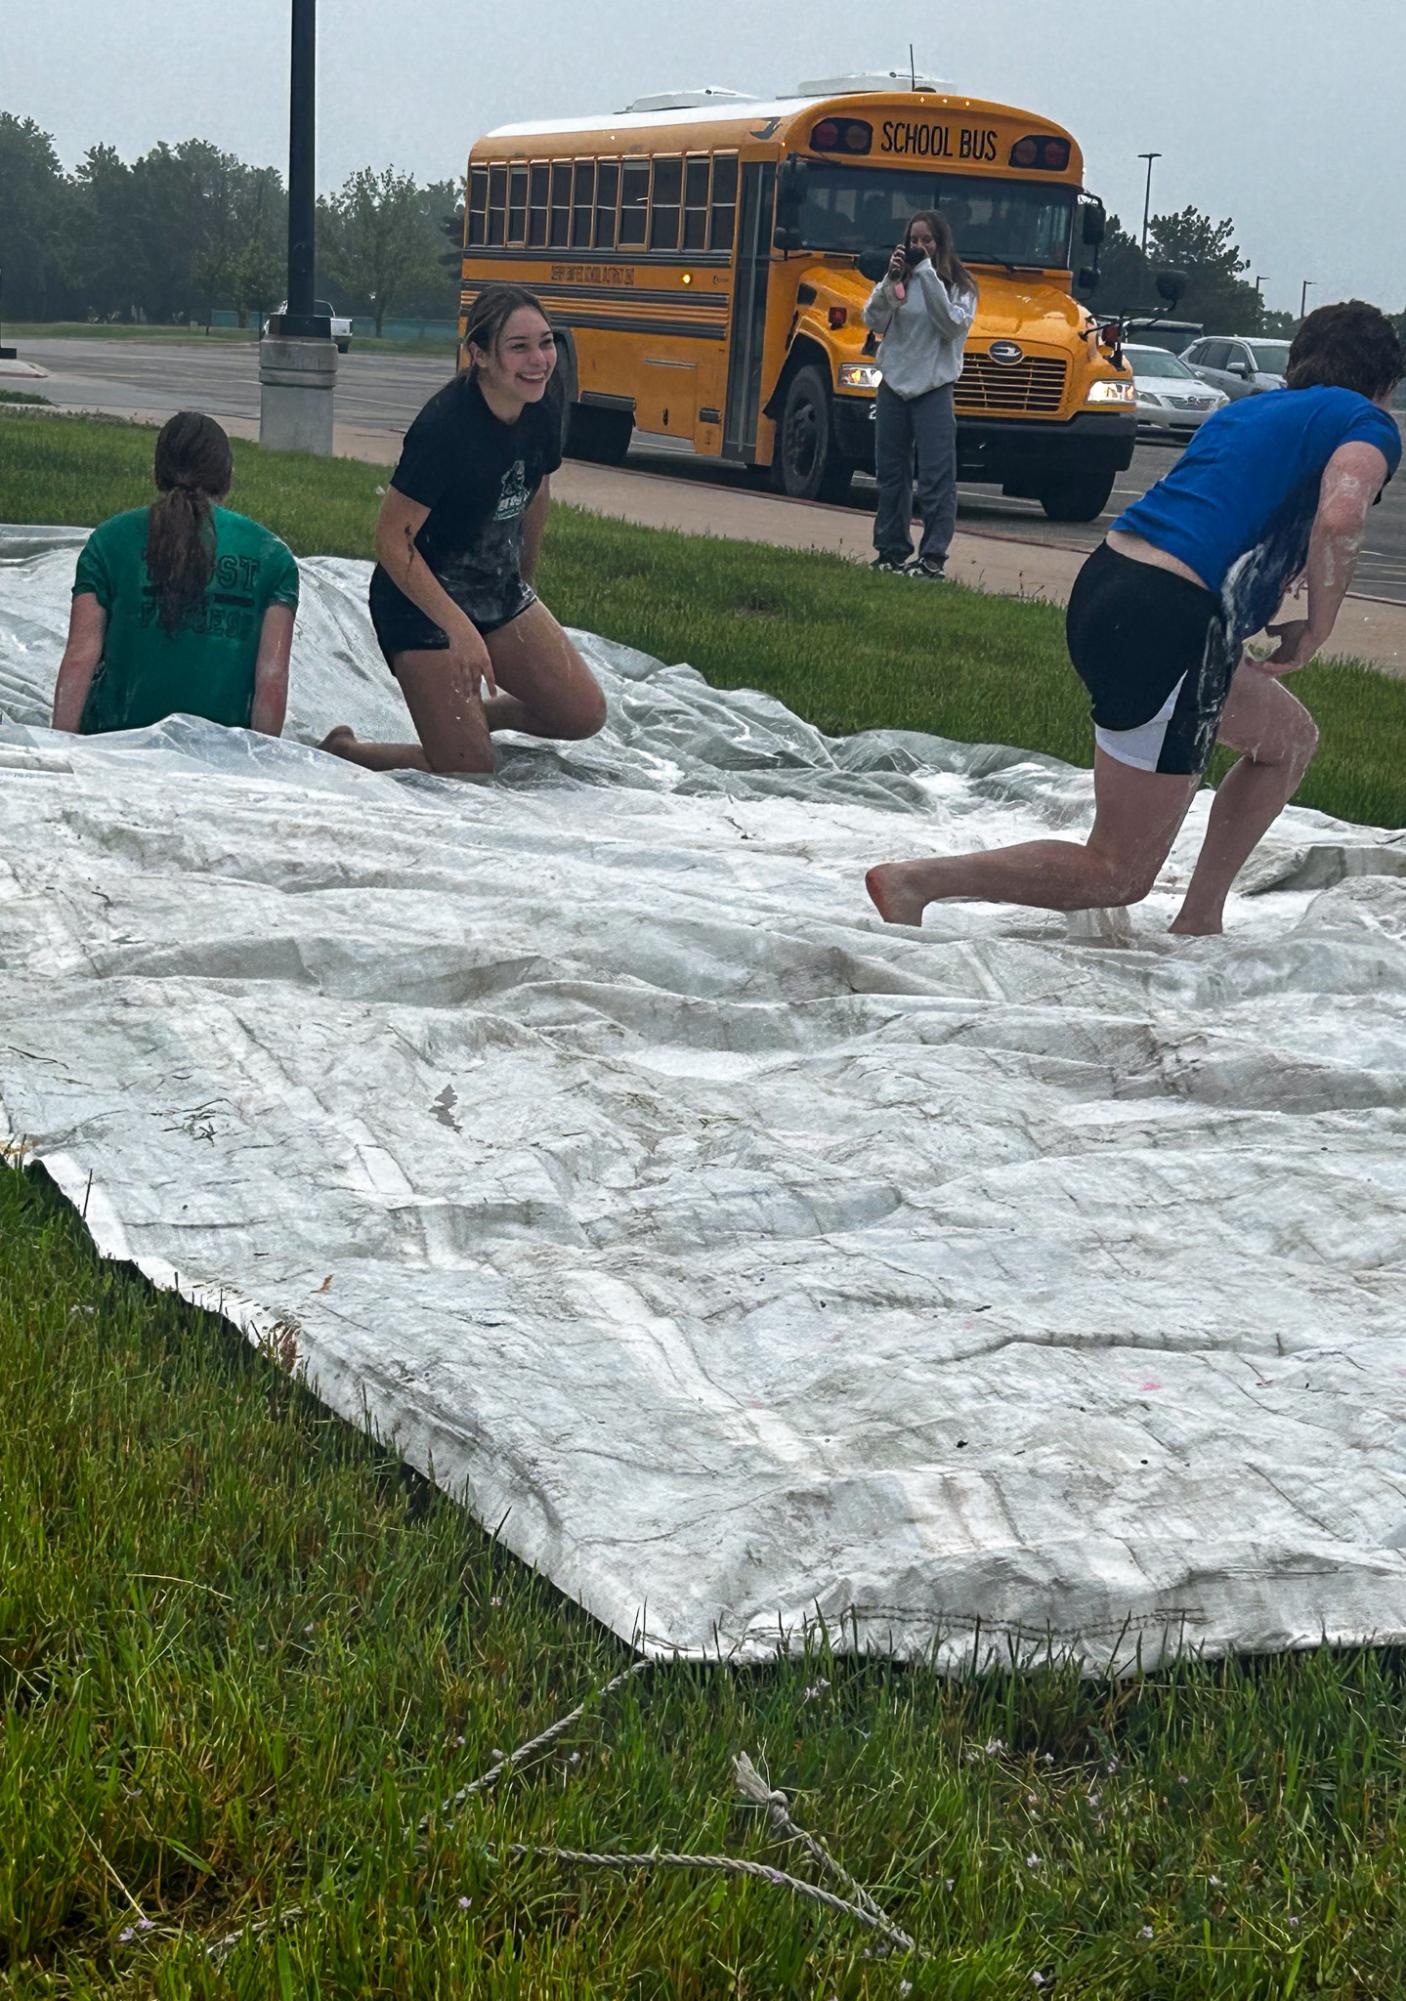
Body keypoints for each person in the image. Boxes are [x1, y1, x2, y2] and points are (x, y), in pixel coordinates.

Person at [865, 301, 1404, 938]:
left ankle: (1200, 918)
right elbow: (1342, 516)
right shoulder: (1364, 420)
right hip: (1169, 619)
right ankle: (916, 882)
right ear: (1383, 385)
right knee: (1118, 871)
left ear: (1297, 362)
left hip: (1110, 584)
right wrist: (1316, 628)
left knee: (1286, 740)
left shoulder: (1242, 413)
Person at [320, 284, 607, 776]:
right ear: (480, 355)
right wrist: (460, 630)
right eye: (518, 347)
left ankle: (474, 718)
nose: (539, 360)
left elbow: (536, 488)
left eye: (545, 342)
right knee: (469, 771)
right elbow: (392, 539)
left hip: (493, 586)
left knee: (583, 713)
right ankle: (348, 751)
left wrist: (525, 580)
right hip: (421, 604)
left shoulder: (544, 397)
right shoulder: (444, 428)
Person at [51, 411, 297, 738]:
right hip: (221, 750)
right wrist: (258, 763)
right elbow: (272, 679)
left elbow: (80, 658)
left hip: (114, 743)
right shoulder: (271, 555)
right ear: (228, 476)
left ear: (157, 472)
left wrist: (60, 747)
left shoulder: (109, 541)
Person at [862, 210, 977, 579]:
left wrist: (927, 272)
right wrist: (890, 281)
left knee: (935, 477)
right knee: (891, 474)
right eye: (914, 240)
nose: (919, 246)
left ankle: (932, 557)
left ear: (941, 243)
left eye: (927, 240)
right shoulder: (901, 281)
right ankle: (891, 549)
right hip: (894, 384)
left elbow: (950, 325)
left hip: (933, 387)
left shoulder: (960, 286)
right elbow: (873, 320)